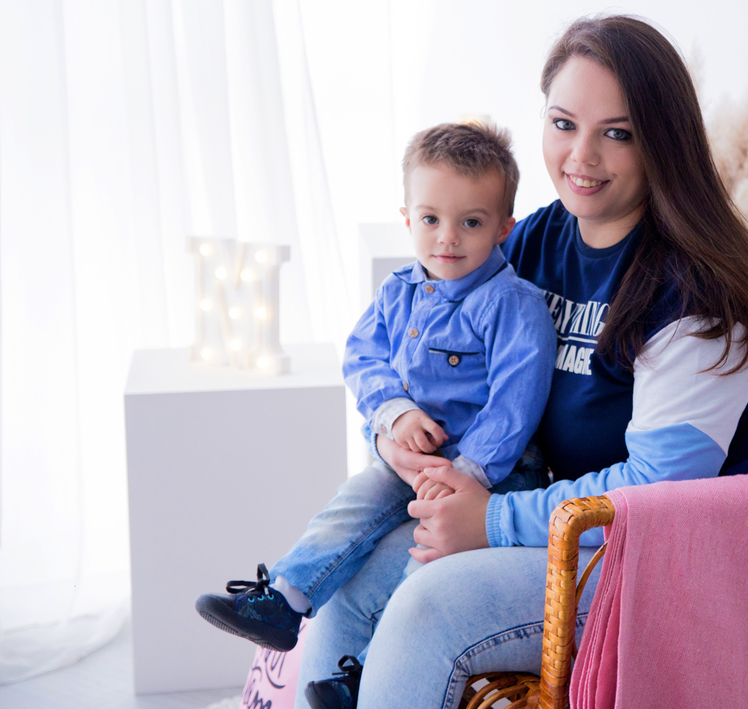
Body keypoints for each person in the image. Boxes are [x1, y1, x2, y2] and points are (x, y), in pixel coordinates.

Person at [297, 15, 748, 709]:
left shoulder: (699, 292)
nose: (581, 156)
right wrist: (395, 432)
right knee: (350, 581)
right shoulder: (534, 243)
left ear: (663, 142)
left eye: (617, 133)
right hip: (568, 526)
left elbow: (660, 489)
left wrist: (490, 523)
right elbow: (426, 363)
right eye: (564, 123)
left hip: (685, 561)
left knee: (428, 611)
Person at [194, 122, 557, 657]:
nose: (447, 238)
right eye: (431, 219)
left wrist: (467, 475)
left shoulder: (512, 305)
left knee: (425, 562)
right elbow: (364, 356)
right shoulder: (399, 289)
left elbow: (515, 404)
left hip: (489, 475)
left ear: (505, 227)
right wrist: (395, 414)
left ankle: (365, 667)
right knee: (351, 504)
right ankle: (285, 600)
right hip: (407, 457)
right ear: (408, 218)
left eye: (471, 222)